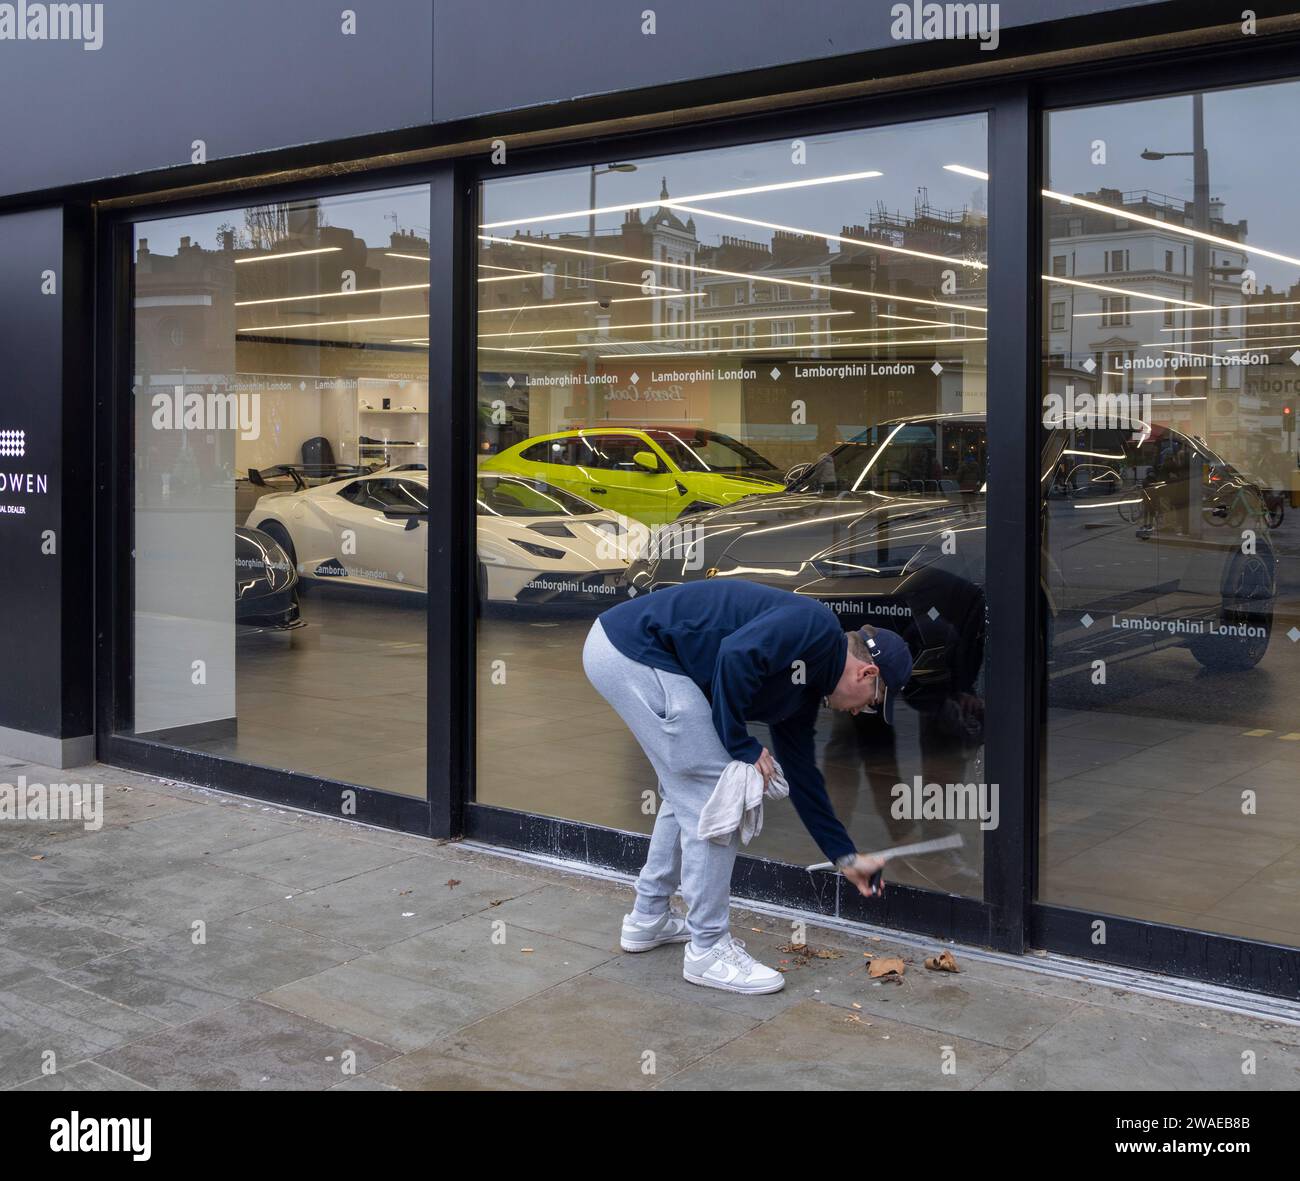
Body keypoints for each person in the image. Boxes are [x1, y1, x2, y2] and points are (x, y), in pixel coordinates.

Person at [582, 579, 914, 995]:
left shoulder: (805, 688)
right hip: (631, 650)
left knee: (686, 789)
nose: (862, 711)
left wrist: (843, 856)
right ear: (868, 672)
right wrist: (741, 745)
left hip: (628, 651)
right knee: (716, 792)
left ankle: (649, 917)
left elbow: (803, 775)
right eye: (870, 703)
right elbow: (735, 655)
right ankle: (708, 949)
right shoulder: (815, 626)